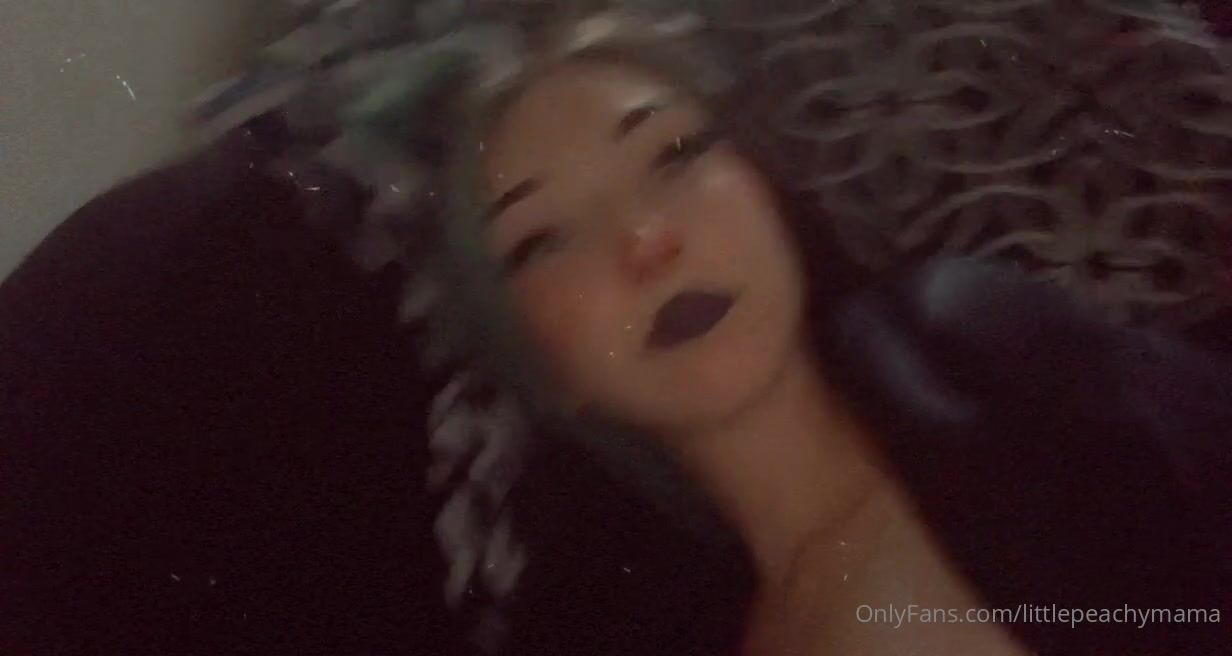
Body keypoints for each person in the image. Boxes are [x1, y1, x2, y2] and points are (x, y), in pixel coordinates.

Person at [194, 1, 1232, 654]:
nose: (646, 240)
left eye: (674, 155)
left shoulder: (993, 352)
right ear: (544, 366)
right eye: (543, 238)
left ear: (768, 192)